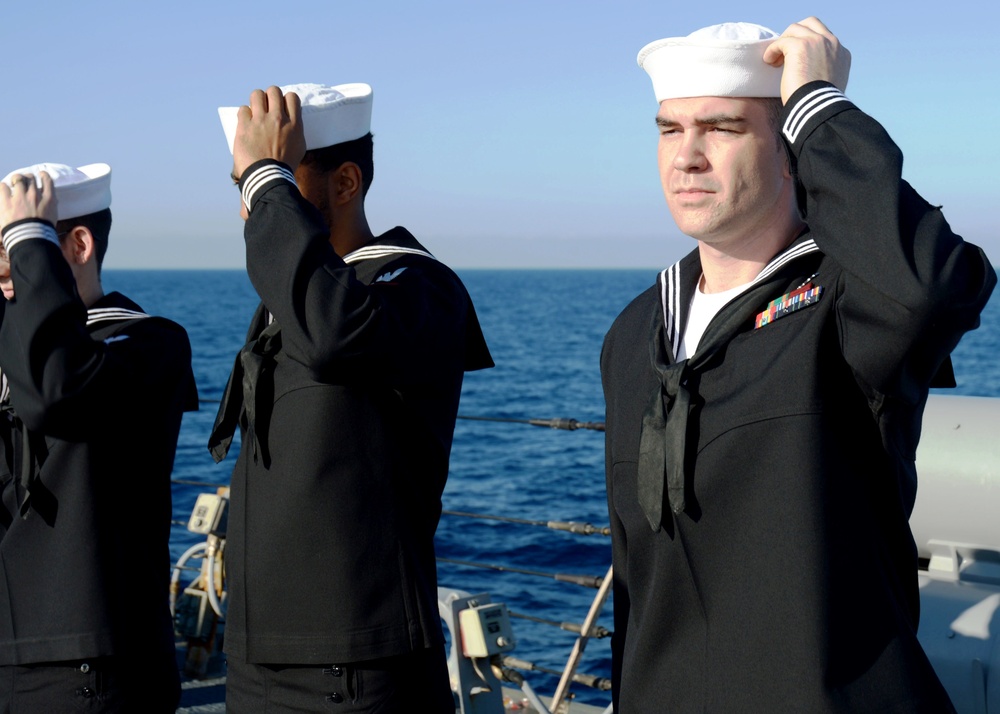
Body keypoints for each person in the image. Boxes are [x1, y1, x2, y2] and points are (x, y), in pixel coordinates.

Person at [601, 18, 996, 713]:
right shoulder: (636, 331)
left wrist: (817, 102)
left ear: (791, 152)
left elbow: (935, 284)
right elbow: (638, 574)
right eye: (670, 129)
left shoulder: (849, 304)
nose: (686, 156)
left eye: (721, 128)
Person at [207, 82, 493, 712]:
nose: (252, 206)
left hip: (355, 670)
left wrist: (264, 177)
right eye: (245, 185)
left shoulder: (416, 286)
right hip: (260, 660)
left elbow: (337, 332)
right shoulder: (296, 304)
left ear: (344, 184)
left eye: (275, 178)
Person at [0, 163, 198, 712]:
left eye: (22, 242)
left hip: (93, 669)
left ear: (78, 244)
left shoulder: (149, 344)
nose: (9, 261)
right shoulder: (14, 351)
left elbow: (55, 390)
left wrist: (28, 245)